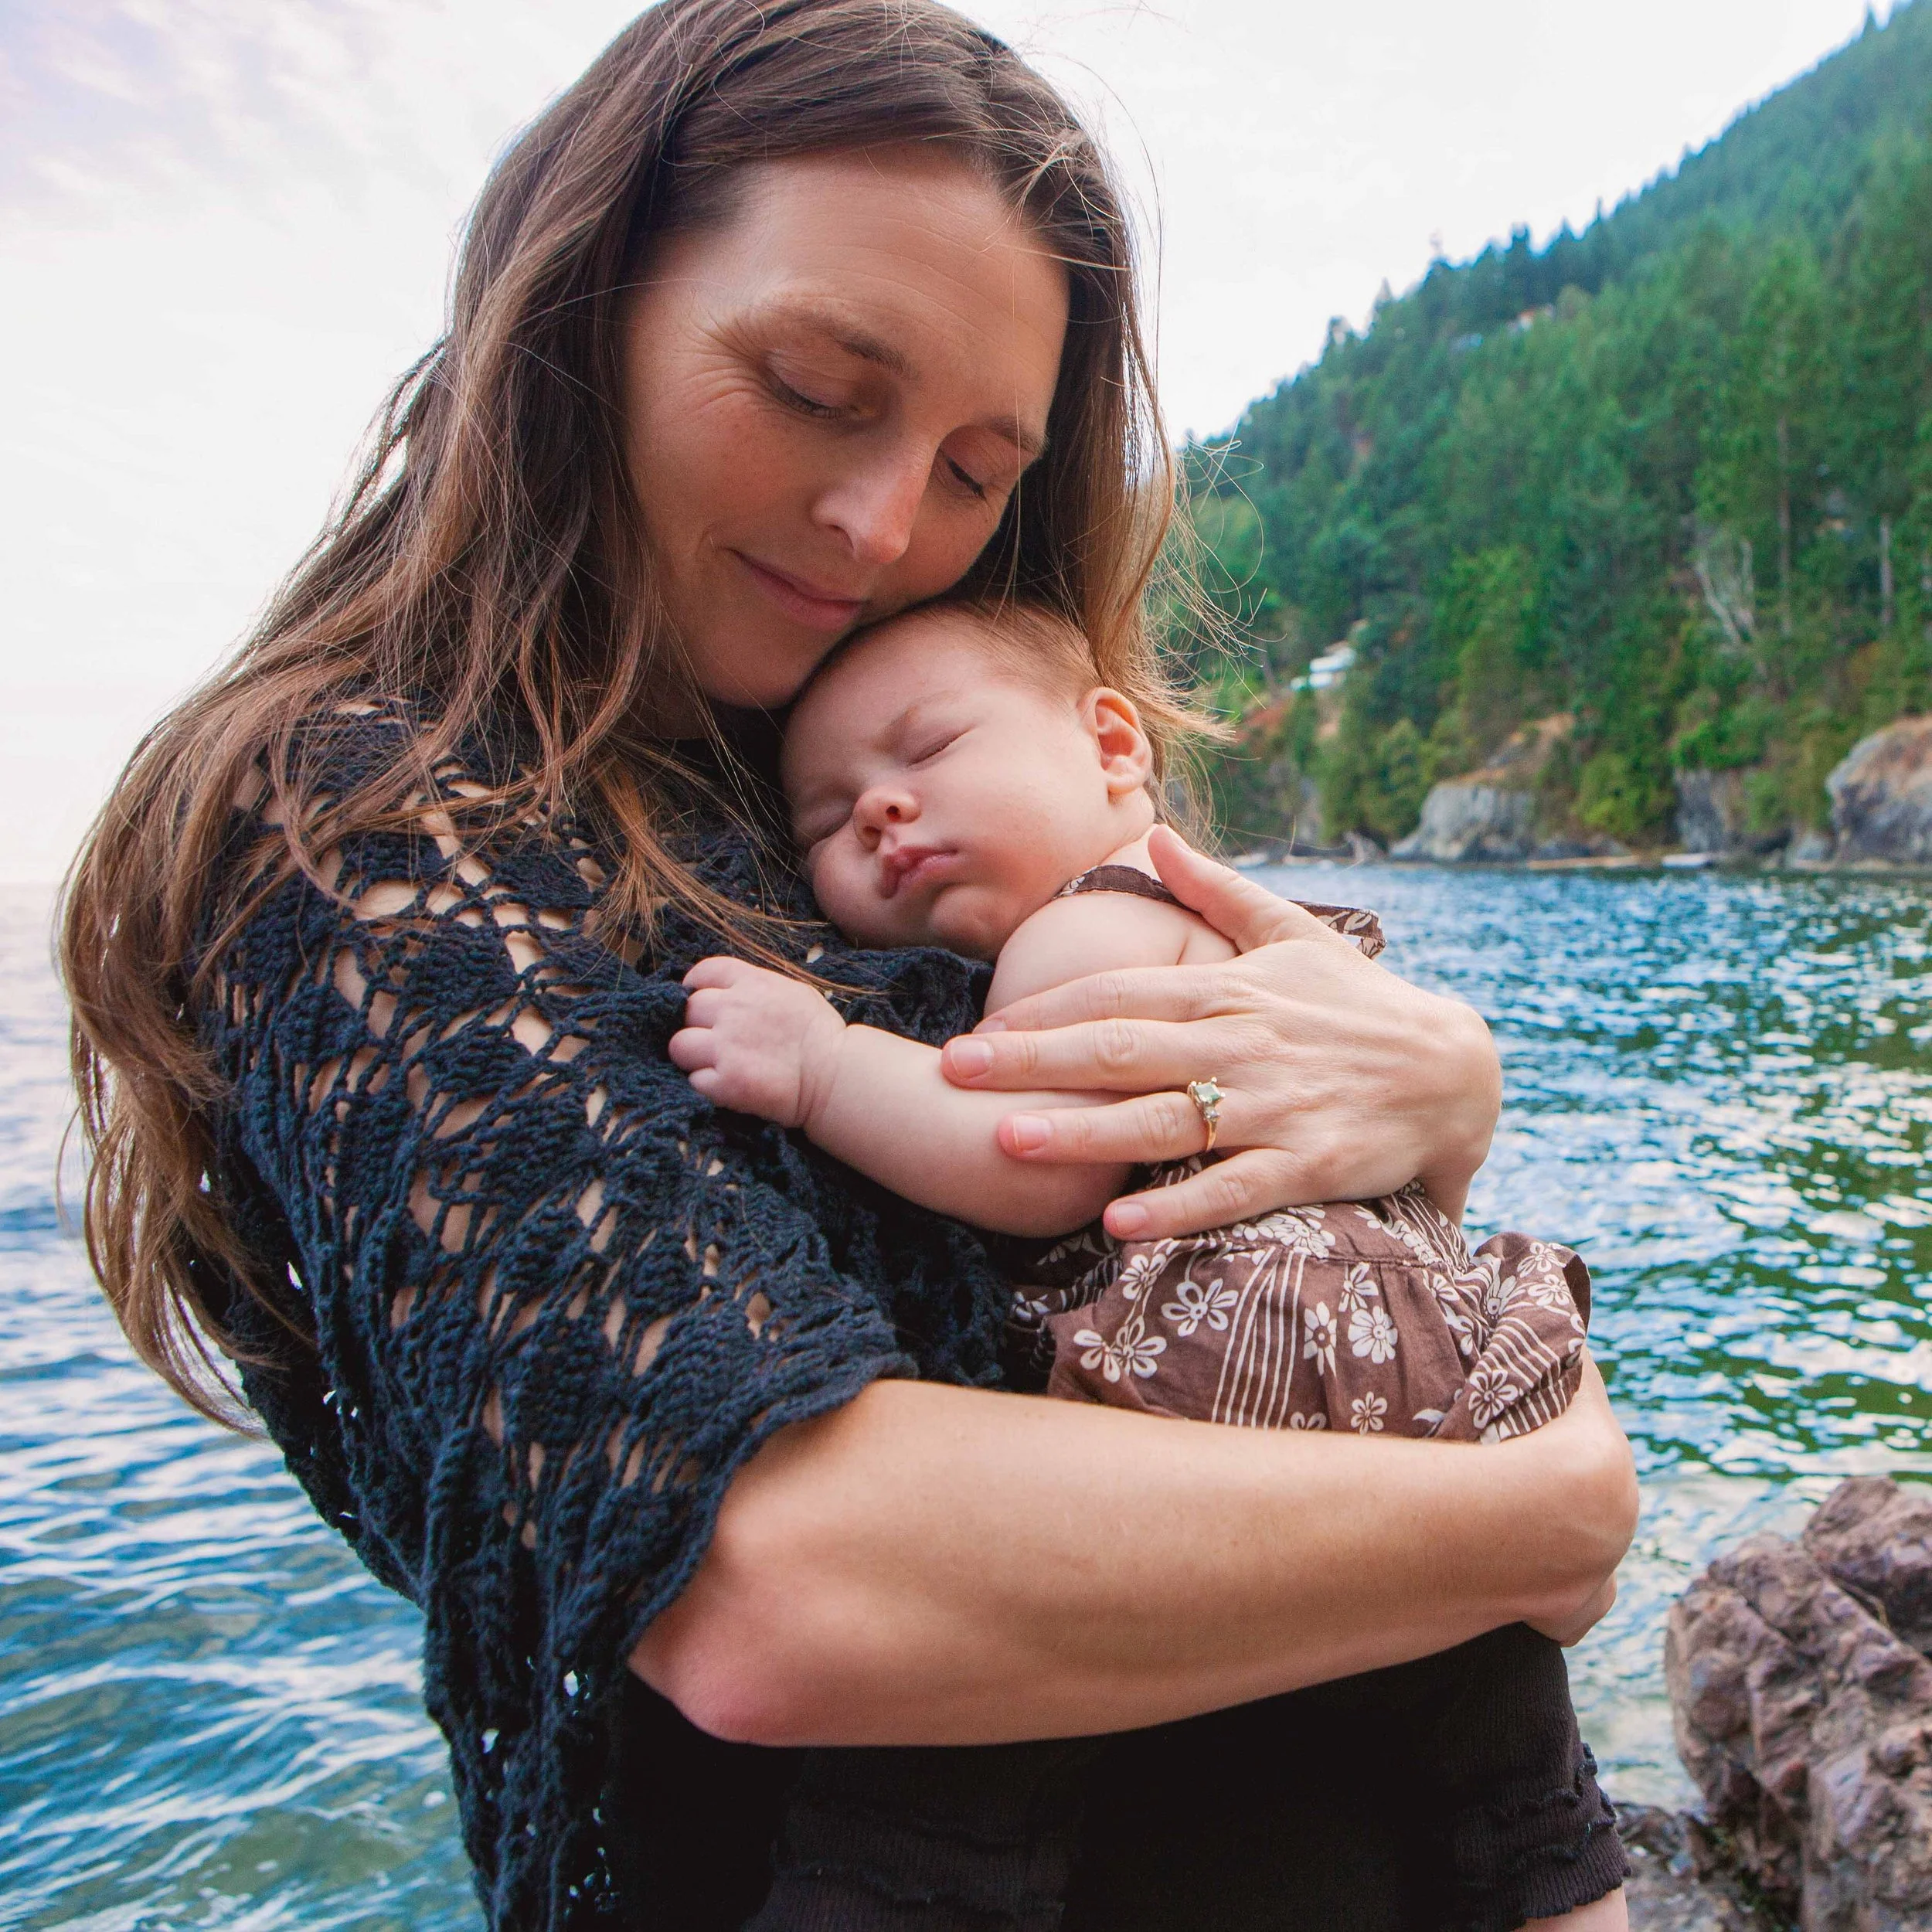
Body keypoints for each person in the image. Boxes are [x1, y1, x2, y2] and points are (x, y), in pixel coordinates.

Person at [58, 4, 1638, 1928]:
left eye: (978, 467)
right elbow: (768, 1581)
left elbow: (1254, 1225)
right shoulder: (369, 827)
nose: (885, 521)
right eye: (814, 385)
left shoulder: (899, 788)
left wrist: (1439, 1081)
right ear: (582, 304)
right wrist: (1530, 1517)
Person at [673, 595, 1628, 1931]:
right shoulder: (1248, 930)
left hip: (1240, 1369)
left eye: (928, 749)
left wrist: (824, 1067)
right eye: (829, 819)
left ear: (1114, 745)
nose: (880, 812)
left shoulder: (1091, 923)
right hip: (1431, 1390)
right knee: (1511, 1777)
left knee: (941, 1793)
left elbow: (1039, 1154)